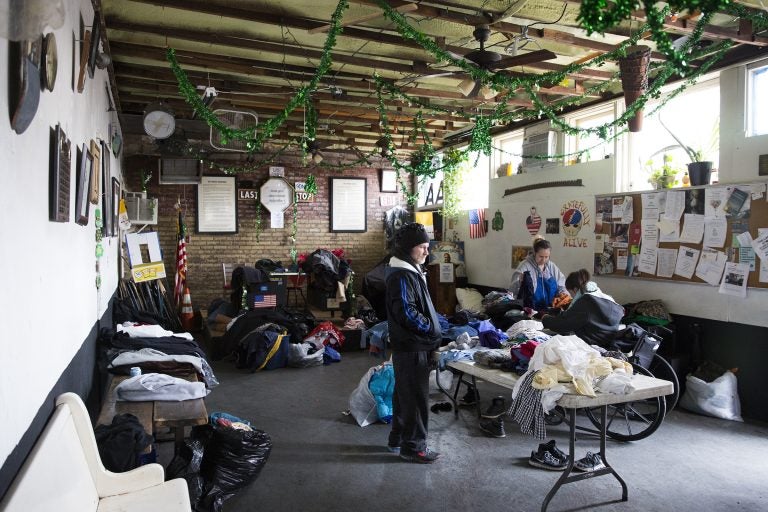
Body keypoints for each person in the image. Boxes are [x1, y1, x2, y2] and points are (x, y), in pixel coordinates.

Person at [385, 223, 442, 464]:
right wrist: (429, 328)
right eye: (422, 247)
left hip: (412, 345)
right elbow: (405, 312)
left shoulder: (411, 270)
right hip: (413, 346)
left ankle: (398, 438)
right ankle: (414, 447)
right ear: (409, 248)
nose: (426, 252)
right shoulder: (402, 275)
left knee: (403, 396)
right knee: (416, 400)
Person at [540, 269, 625, 347]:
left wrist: (545, 318)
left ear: (575, 289)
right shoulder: (607, 299)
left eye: (570, 293)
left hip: (590, 346)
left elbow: (564, 324)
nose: (571, 297)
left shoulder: (586, 302)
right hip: (605, 344)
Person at [510, 237, 567, 311]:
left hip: (550, 309)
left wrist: (563, 296)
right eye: (541, 257)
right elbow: (512, 291)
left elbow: (562, 284)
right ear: (534, 253)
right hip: (531, 310)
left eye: (546, 257)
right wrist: (519, 283)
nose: (543, 260)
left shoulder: (551, 266)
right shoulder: (525, 266)